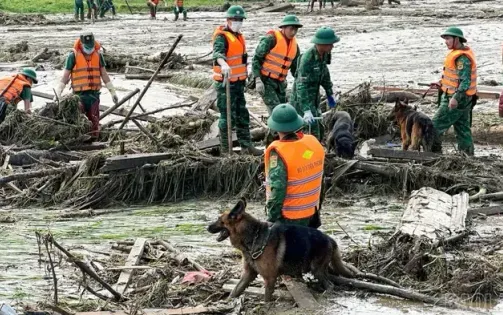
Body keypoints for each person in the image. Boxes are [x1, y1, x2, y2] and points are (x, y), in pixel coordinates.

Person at [212, 5, 262, 156]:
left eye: (240, 20)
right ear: (228, 20)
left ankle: (247, 146)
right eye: (235, 19)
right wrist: (224, 64)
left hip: (238, 83)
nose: (238, 22)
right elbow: (217, 54)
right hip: (226, 83)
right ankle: (226, 150)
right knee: (227, 117)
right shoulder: (222, 36)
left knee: (242, 114)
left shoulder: (239, 36)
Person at [264, 103, 325, 227]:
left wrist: (271, 218)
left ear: (275, 127)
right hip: (311, 212)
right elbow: (320, 180)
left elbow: (278, 189)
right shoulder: (312, 143)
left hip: (290, 217)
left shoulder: (279, 152)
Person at [54, 32, 119, 140]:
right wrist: (59, 91)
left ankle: (94, 140)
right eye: (87, 47)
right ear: (81, 45)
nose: (90, 49)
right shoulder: (72, 56)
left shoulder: (98, 55)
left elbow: (104, 74)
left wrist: (112, 92)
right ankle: (81, 141)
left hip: (94, 95)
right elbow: (65, 76)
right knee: (80, 121)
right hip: (79, 95)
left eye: (91, 46)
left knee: (94, 120)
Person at [431, 27, 477, 156]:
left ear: (457, 39)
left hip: (456, 98)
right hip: (464, 98)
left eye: (448, 38)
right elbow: (455, 77)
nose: (446, 41)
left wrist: (455, 98)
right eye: (445, 39)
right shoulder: (458, 53)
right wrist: (441, 83)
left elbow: (465, 81)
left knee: (433, 127)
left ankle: (433, 155)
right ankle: (467, 157)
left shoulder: (462, 57)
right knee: (462, 129)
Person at [290, 26, 340, 141]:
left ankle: (316, 151)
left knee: (320, 127)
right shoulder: (307, 59)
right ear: (321, 43)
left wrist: (330, 94)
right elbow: (301, 86)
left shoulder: (325, 54)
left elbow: (325, 74)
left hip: (314, 97)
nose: (332, 46)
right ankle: (307, 154)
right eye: (330, 44)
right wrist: (306, 110)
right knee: (309, 130)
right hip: (302, 100)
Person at [252, 15, 302, 115]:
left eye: (296, 29)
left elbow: (295, 67)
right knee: (277, 112)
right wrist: (257, 79)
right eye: (291, 29)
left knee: (282, 109)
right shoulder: (271, 39)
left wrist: (301, 80)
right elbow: (256, 59)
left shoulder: (295, 46)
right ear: (283, 28)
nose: (293, 32)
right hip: (266, 81)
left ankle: (275, 130)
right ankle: (276, 130)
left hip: (280, 84)